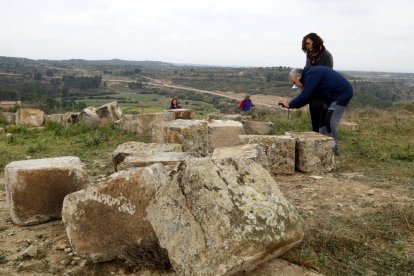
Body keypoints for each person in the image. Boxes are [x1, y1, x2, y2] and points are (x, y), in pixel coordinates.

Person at [279, 67, 353, 155]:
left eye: (295, 83)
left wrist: (290, 104)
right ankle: (323, 145)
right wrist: (291, 104)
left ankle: (334, 149)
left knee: (330, 121)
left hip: (342, 94)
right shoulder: (309, 77)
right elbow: (308, 98)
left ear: (298, 76)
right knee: (322, 122)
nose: (297, 86)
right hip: (331, 98)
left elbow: (306, 95)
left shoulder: (311, 75)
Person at [302, 32, 333, 133]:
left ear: (315, 42)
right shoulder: (309, 56)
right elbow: (308, 71)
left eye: (308, 43)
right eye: (305, 44)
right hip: (312, 93)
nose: (307, 46)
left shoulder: (327, 55)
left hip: (322, 94)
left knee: (322, 123)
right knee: (314, 121)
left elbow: (328, 75)